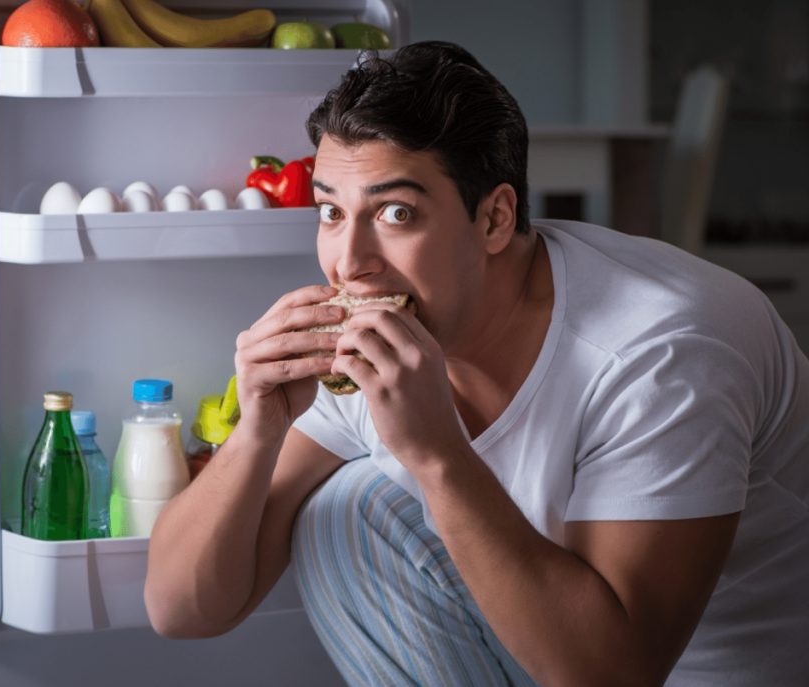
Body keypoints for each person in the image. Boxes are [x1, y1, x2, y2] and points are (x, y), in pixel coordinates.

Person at [144, 41, 809, 686]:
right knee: (342, 508)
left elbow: (617, 675)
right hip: (543, 639)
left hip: (699, 668)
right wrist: (259, 430)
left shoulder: (662, 350)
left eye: (396, 212)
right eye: (330, 212)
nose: (350, 262)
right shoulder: (386, 334)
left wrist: (436, 451)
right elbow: (181, 609)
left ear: (494, 219)